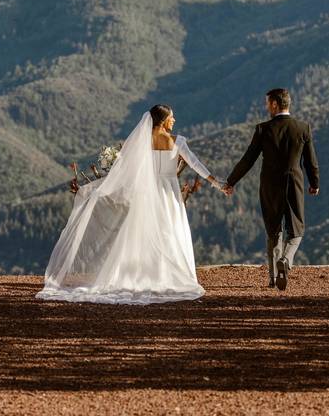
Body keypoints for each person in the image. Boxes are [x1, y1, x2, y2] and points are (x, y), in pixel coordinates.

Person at [37, 104, 222, 304]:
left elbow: (124, 169)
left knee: (147, 233)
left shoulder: (140, 143)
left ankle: (149, 276)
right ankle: (168, 277)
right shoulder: (178, 141)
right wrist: (217, 183)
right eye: (172, 117)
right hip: (169, 193)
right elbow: (195, 164)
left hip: (147, 193)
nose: (174, 120)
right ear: (163, 120)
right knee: (172, 232)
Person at [223, 88, 319, 291]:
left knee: (273, 231)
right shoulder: (303, 128)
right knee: (297, 230)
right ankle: (286, 259)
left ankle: (273, 278)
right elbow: (311, 161)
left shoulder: (262, 129)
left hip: (270, 185)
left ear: (275, 104)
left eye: (267, 103)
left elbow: (248, 159)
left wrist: (231, 181)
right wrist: (314, 183)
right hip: (294, 183)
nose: (266, 106)